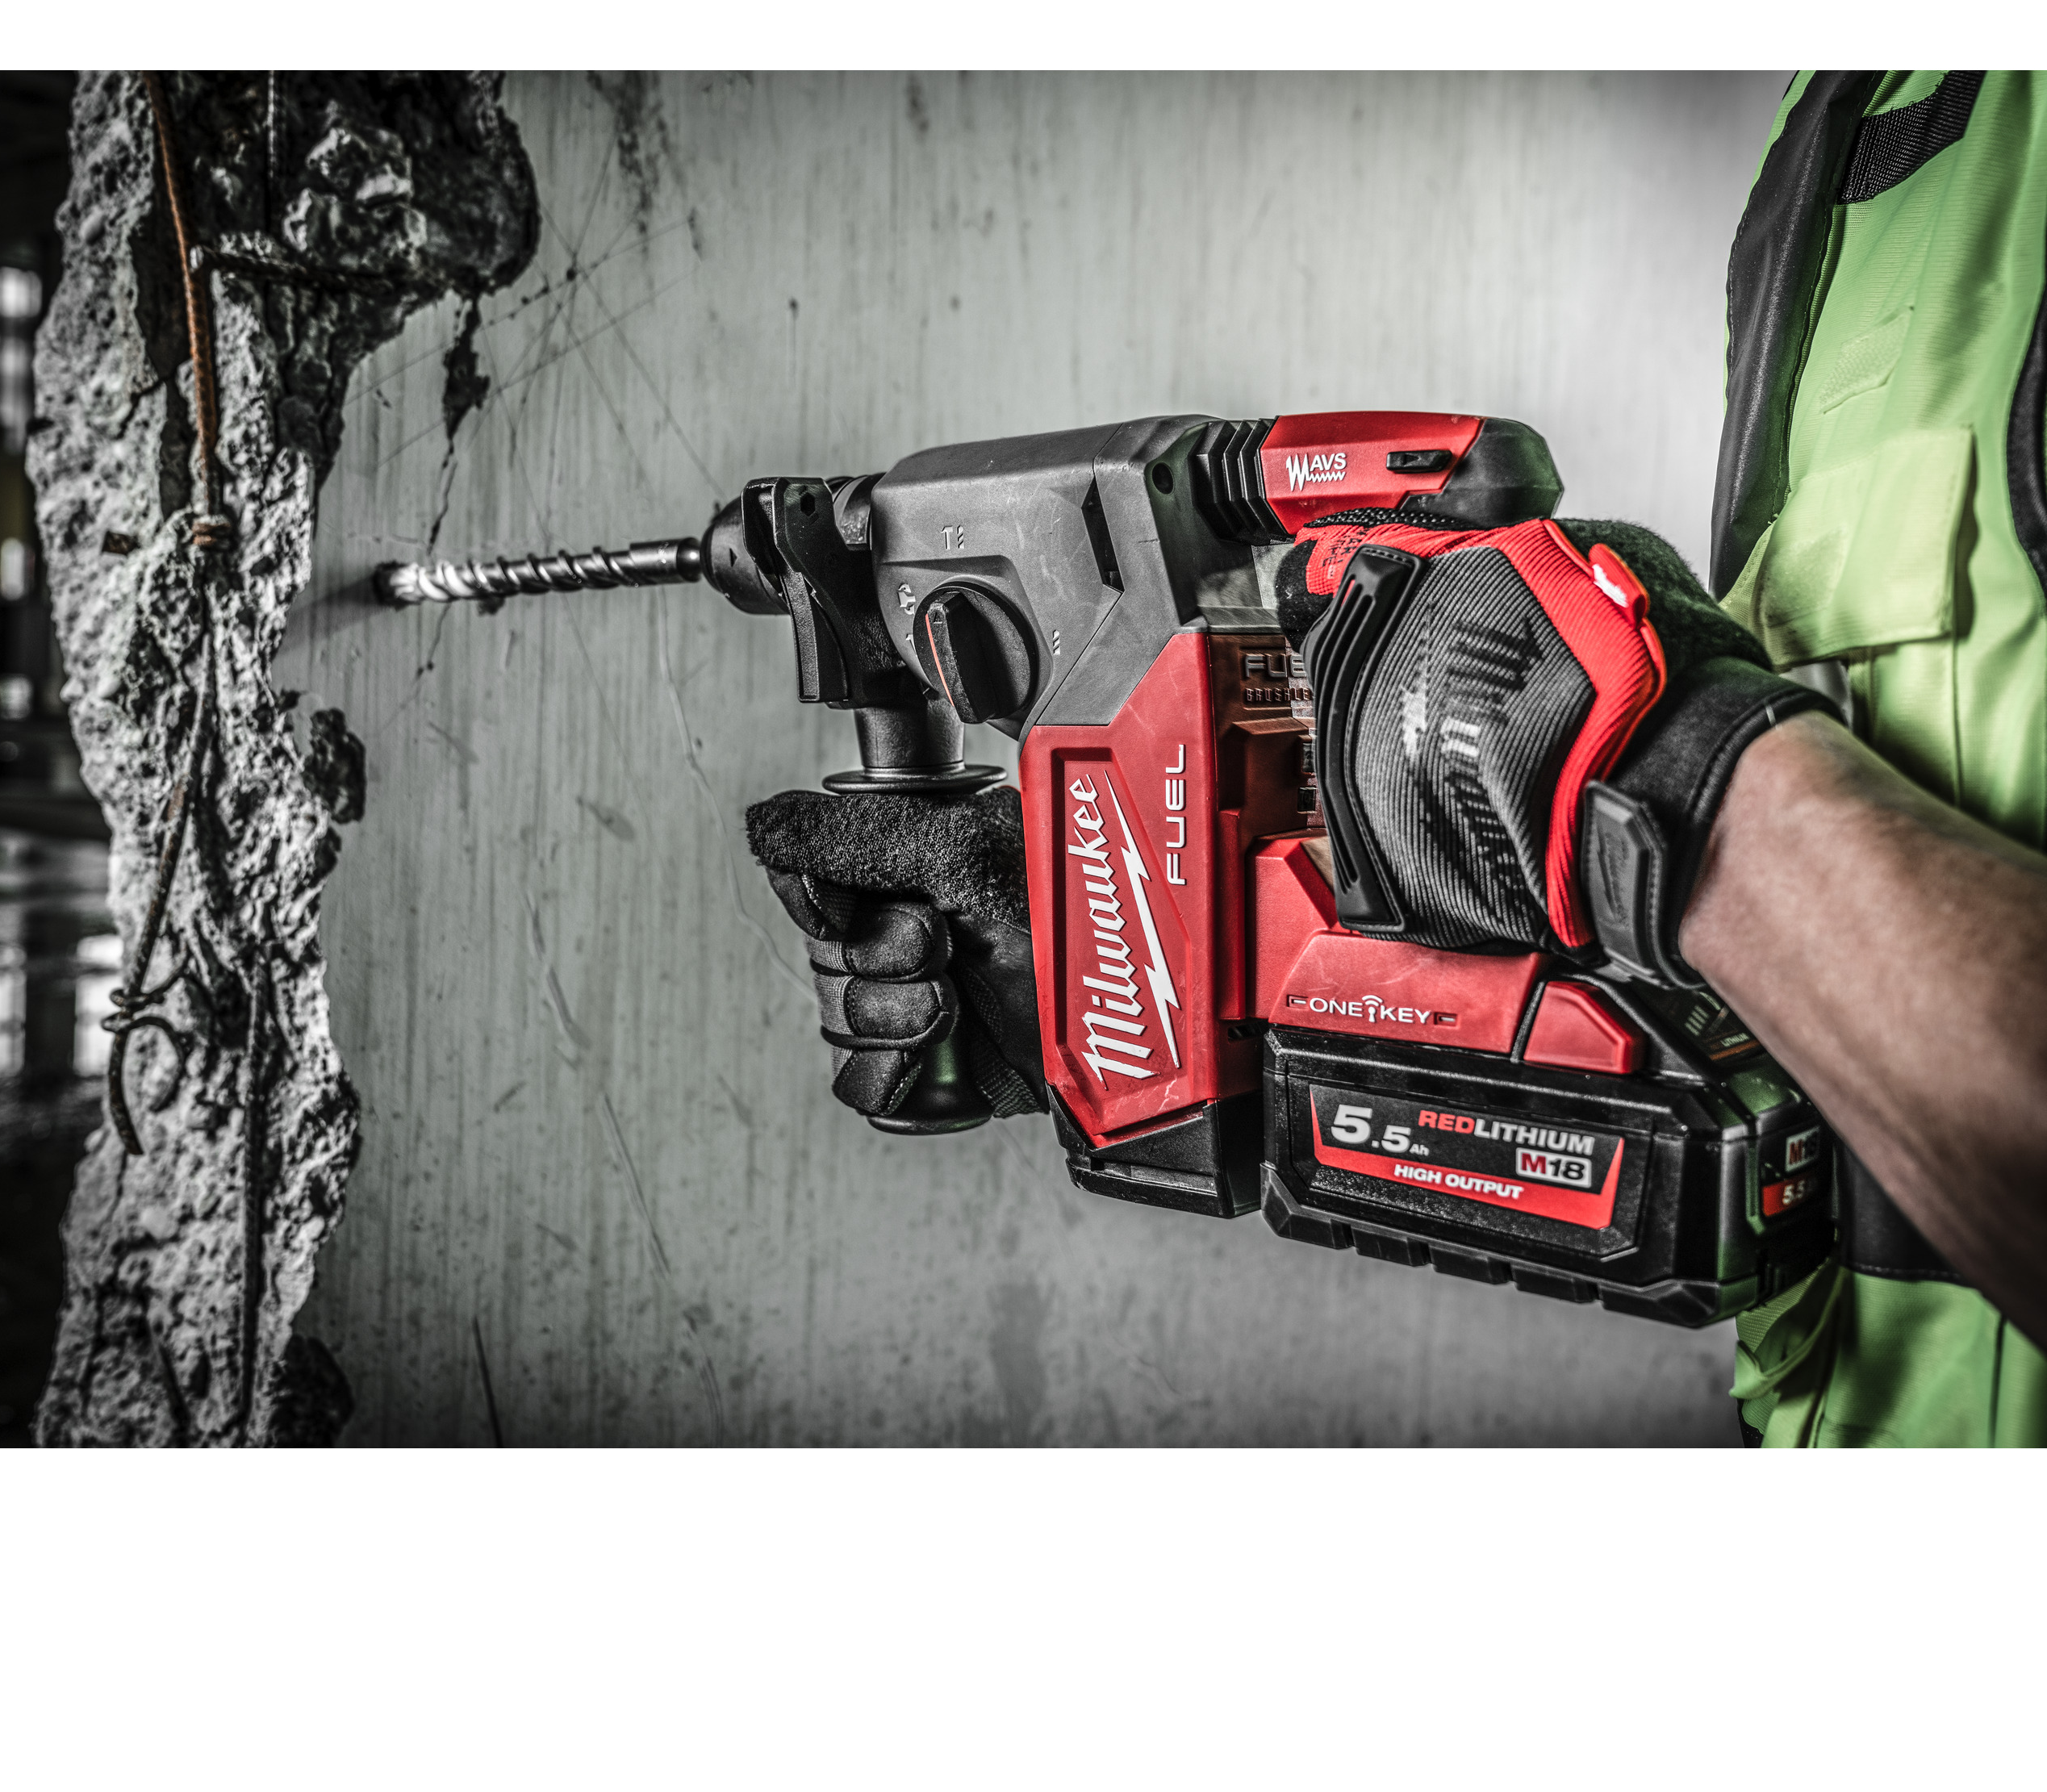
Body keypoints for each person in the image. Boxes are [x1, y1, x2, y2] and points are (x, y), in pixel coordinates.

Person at [748, 70, 2047, 1449]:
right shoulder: (1859, 110)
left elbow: (1714, 821)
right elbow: (1829, 993)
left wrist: (1662, 785)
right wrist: (1132, 963)